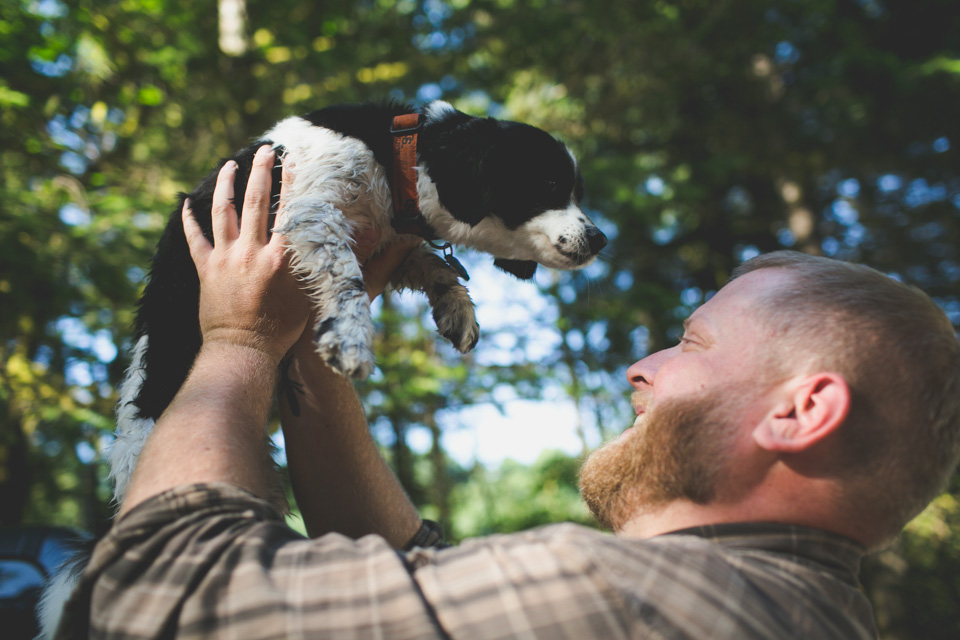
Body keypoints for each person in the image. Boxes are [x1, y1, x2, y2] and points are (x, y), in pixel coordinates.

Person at [56, 146, 960, 639]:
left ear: (803, 411)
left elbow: (154, 593)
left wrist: (238, 341)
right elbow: (417, 573)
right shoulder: (798, 609)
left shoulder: (630, 601)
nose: (639, 368)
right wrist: (311, 357)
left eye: (690, 344)